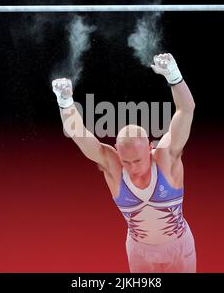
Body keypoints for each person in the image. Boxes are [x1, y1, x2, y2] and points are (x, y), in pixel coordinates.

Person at [52, 53, 196, 272]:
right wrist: (65, 102)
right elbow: (77, 133)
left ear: (150, 147)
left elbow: (186, 110)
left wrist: (174, 76)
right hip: (138, 250)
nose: (132, 168)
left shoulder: (167, 157)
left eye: (138, 160)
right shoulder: (113, 165)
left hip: (178, 247)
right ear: (118, 152)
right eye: (126, 161)